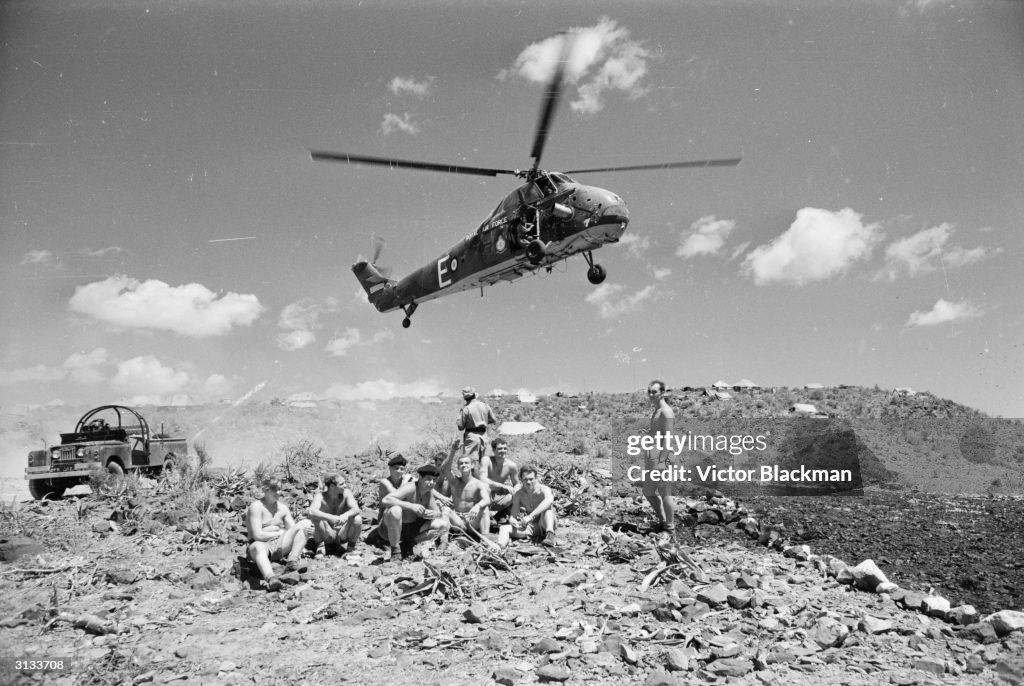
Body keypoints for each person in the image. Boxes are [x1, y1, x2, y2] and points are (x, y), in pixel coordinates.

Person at [246, 478, 311, 592]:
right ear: (265, 491)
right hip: (261, 545)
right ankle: (271, 578)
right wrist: (279, 533)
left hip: (279, 544)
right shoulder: (256, 506)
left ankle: (292, 561)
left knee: (305, 524)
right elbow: (257, 535)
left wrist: (308, 533)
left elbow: (294, 530)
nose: (278, 493)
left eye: (279, 490)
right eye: (274, 490)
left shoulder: (283, 508)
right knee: (258, 546)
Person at [380, 464, 450, 561]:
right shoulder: (411, 487)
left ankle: (407, 545)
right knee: (396, 510)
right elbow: (386, 500)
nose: (432, 483)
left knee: (443, 525)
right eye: (428, 479)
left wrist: (432, 514)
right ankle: (395, 550)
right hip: (391, 528)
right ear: (420, 478)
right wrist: (411, 506)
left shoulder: (428, 492)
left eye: (434, 480)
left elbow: (437, 513)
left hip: (410, 529)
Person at [642, 379, 677, 535]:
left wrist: (662, 461)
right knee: (648, 491)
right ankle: (663, 521)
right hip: (653, 456)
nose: (651, 395)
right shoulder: (656, 411)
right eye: (649, 392)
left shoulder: (666, 412)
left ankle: (670, 529)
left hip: (663, 457)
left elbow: (668, 438)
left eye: (654, 392)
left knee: (664, 492)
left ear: (662, 393)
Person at [302, 473, 362, 556]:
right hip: (327, 532)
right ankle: (320, 545)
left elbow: (356, 509)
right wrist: (331, 517)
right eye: (341, 484)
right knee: (316, 517)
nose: (345, 486)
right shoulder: (320, 496)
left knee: (357, 519)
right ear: (332, 486)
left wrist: (344, 516)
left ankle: (351, 547)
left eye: (344, 483)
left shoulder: (346, 493)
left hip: (342, 532)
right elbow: (311, 511)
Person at [439, 451, 493, 541]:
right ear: (458, 467)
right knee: (445, 510)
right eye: (461, 463)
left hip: (472, 522)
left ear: (472, 465)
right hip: (458, 522)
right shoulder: (454, 482)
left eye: (466, 463)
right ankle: (443, 542)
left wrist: (477, 506)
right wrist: (453, 450)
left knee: (485, 509)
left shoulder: (478, 483)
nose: (463, 465)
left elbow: (487, 500)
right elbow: (445, 469)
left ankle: (485, 541)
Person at [497, 466, 557, 547]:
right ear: (521, 479)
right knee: (504, 528)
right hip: (532, 526)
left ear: (536, 478)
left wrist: (531, 516)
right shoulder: (519, 494)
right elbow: (513, 515)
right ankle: (499, 547)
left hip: (545, 523)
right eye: (525, 479)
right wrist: (513, 521)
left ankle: (550, 535)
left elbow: (549, 501)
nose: (528, 482)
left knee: (547, 510)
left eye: (531, 479)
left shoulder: (544, 490)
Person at [479, 437, 520, 521]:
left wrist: (515, 490)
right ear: (494, 450)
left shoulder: (511, 466)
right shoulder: (486, 460)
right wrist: (503, 486)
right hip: (485, 496)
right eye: (500, 448)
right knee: (486, 487)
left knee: (518, 493)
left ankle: (502, 515)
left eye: (505, 448)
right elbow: (482, 478)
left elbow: (517, 483)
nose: (503, 451)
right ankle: (483, 519)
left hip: (499, 497)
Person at [457, 386, 497, 468]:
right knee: (484, 463)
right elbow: (493, 419)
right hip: (484, 436)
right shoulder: (485, 406)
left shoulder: (466, 409)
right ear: (475, 395)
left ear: (465, 398)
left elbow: (460, 426)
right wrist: (484, 421)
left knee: (470, 464)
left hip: (471, 437)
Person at [377, 454, 414, 523]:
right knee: (396, 509)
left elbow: (422, 484)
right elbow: (397, 496)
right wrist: (404, 482)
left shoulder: (407, 479)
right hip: (387, 517)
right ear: (390, 469)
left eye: (402, 469)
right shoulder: (385, 482)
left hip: (402, 517)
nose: (399, 471)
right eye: (396, 468)